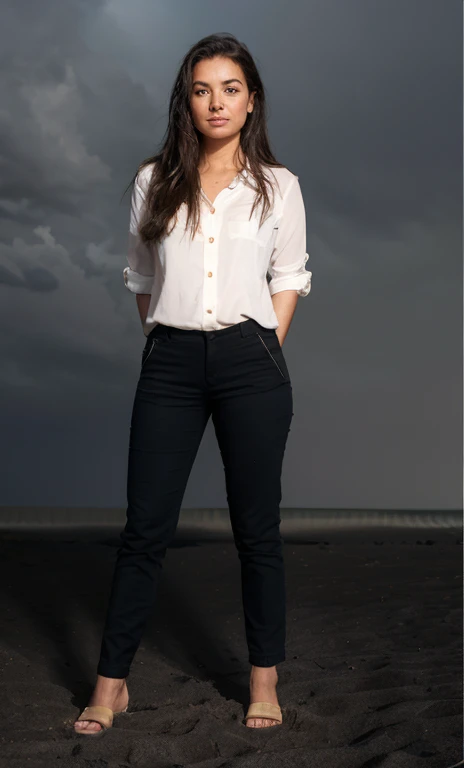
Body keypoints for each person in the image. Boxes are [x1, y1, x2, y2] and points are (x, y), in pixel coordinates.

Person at [74, 32, 311, 736]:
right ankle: (109, 685)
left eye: (230, 88)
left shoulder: (280, 186)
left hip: (251, 360)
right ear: (187, 100)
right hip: (172, 363)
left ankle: (263, 680)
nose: (217, 101)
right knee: (144, 529)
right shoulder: (155, 181)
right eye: (203, 89)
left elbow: (290, 278)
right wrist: (166, 337)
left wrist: (261, 347)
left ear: (251, 100)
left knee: (257, 531)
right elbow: (141, 279)